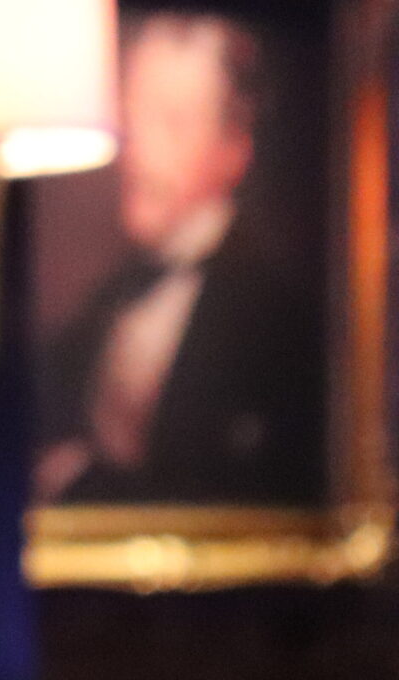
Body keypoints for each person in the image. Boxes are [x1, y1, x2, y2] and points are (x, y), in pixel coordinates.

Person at [36, 13, 323, 508]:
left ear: (234, 147)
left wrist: (85, 484)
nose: (141, 151)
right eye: (132, 117)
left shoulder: (282, 321)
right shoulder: (99, 308)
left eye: (173, 122)